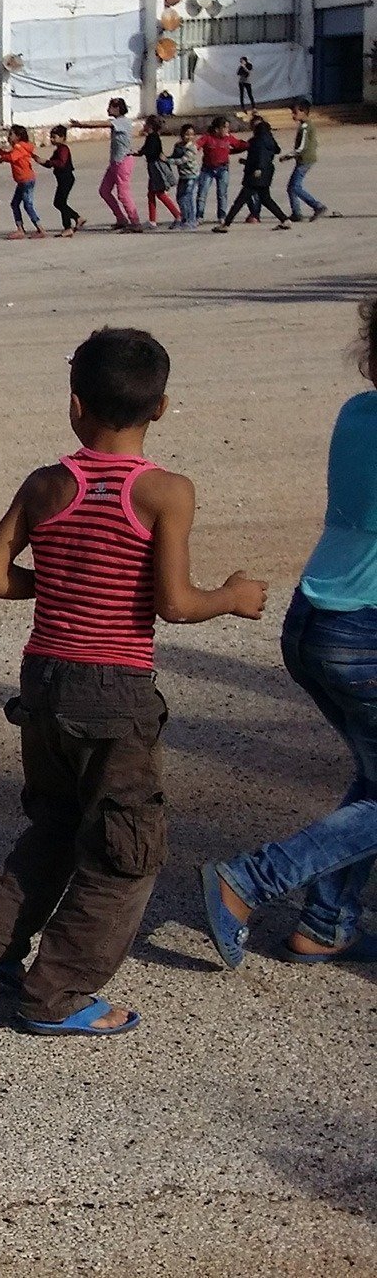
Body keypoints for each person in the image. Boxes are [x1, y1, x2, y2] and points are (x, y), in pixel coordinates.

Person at [0, 328, 265, 1034]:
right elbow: (174, 603)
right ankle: (57, 992)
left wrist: (58, 583)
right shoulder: (165, 492)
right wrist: (232, 595)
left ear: (75, 406)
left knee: (58, 817)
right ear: (160, 407)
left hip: (43, 680)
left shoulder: (45, 484)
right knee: (126, 846)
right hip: (114, 690)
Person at [205, 304, 377, 967]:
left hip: (314, 618)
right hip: (362, 629)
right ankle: (250, 879)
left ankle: (328, 921)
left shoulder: (357, 412)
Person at [221, 115, 292, 232]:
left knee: (241, 199)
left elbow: (259, 156)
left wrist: (258, 168)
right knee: (265, 199)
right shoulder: (269, 140)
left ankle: (226, 224)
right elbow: (274, 151)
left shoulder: (257, 141)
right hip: (267, 173)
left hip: (255, 174)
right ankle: (285, 220)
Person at [90, 97, 140, 233]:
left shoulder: (123, 122)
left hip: (123, 161)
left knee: (123, 194)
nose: (108, 110)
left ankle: (135, 222)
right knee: (104, 191)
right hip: (115, 162)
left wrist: (81, 125)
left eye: (110, 107)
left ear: (117, 108)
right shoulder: (119, 122)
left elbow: (103, 124)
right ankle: (121, 219)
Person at [0, 125, 45, 239]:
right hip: (22, 181)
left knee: (27, 205)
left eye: (11, 134)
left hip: (26, 180)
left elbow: (11, 157)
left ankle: (40, 228)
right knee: (15, 204)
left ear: (18, 137)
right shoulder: (19, 147)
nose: (8, 137)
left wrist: (2, 159)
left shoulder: (19, 147)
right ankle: (20, 229)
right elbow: (9, 154)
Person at [287, 102, 333, 222]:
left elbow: (302, 146)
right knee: (292, 187)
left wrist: (290, 155)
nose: (293, 115)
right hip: (305, 158)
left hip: (305, 159)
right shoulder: (307, 125)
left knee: (294, 187)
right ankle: (296, 213)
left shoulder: (305, 127)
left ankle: (317, 206)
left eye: (295, 112)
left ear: (303, 112)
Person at [138, 117, 183, 229]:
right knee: (151, 193)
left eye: (146, 124)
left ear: (151, 126)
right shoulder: (151, 137)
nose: (144, 126)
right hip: (152, 167)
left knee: (159, 192)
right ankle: (152, 220)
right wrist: (137, 152)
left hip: (156, 167)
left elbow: (152, 151)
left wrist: (141, 152)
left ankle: (178, 215)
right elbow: (145, 150)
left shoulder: (153, 138)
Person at [194, 115, 238, 225]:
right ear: (217, 129)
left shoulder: (228, 138)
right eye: (225, 127)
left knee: (222, 193)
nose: (228, 130)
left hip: (223, 168)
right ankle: (199, 216)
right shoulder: (207, 137)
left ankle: (222, 216)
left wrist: (250, 145)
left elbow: (238, 144)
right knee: (202, 193)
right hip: (207, 169)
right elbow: (197, 145)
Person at [44, 125, 82, 237]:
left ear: (62, 137)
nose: (51, 139)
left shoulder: (63, 149)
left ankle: (68, 227)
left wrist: (49, 162)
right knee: (59, 202)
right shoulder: (58, 150)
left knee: (60, 203)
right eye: (51, 137)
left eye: (54, 137)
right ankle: (77, 218)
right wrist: (39, 160)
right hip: (62, 179)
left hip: (66, 178)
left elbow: (61, 163)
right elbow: (50, 164)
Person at [169, 124, 201, 232]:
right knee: (180, 197)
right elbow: (174, 156)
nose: (189, 137)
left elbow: (182, 160)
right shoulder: (178, 146)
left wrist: (167, 161)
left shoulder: (192, 147)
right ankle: (184, 219)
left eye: (191, 135)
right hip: (183, 176)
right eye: (186, 134)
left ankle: (191, 221)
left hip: (191, 176)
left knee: (187, 198)